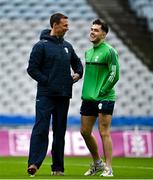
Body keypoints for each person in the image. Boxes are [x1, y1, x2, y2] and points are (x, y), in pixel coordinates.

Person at [27, 13, 83, 177]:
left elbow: (77, 63)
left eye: (67, 24)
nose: (68, 27)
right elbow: (32, 69)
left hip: (64, 95)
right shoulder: (41, 46)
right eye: (65, 25)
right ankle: (34, 164)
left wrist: (78, 73)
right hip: (45, 95)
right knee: (41, 128)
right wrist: (47, 81)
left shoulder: (68, 46)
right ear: (55, 25)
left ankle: (58, 168)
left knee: (60, 132)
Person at [80, 19, 120, 177]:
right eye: (91, 29)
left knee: (104, 131)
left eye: (96, 30)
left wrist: (103, 90)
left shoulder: (110, 51)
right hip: (89, 98)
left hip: (105, 97)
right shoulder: (88, 52)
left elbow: (114, 73)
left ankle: (108, 167)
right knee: (84, 131)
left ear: (104, 34)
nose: (92, 32)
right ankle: (97, 163)